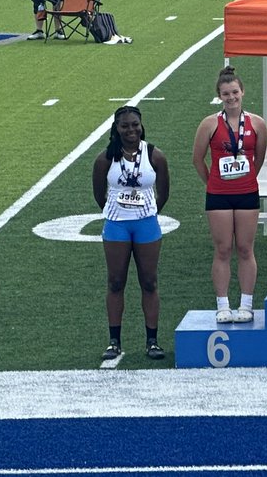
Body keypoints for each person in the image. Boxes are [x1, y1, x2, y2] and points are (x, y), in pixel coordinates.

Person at [92, 105, 170, 361]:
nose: (131, 130)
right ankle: (114, 341)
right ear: (116, 128)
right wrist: (115, 210)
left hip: (146, 223)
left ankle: (152, 340)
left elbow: (164, 191)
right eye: (125, 126)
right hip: (117, 224)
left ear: (141, 125)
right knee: (116, 282)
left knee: (149, 281)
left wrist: (148, 211)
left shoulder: (155, 155)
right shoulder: (105, 158)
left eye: (135, 124)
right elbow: (98, 193)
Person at [192, 66, 267, 320]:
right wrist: (212, 182)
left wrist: (247, 177)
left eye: (235, 92)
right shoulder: (210, 124)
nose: (231, 97)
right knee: (223, 249)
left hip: (247, 193)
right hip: (219, 195)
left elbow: (258, 158)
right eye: (226, 94)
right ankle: (223, 304)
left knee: (246, 248)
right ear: (219, 96)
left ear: (243, 92)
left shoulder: (257, 123)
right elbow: (197, 159)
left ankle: (246, 304)